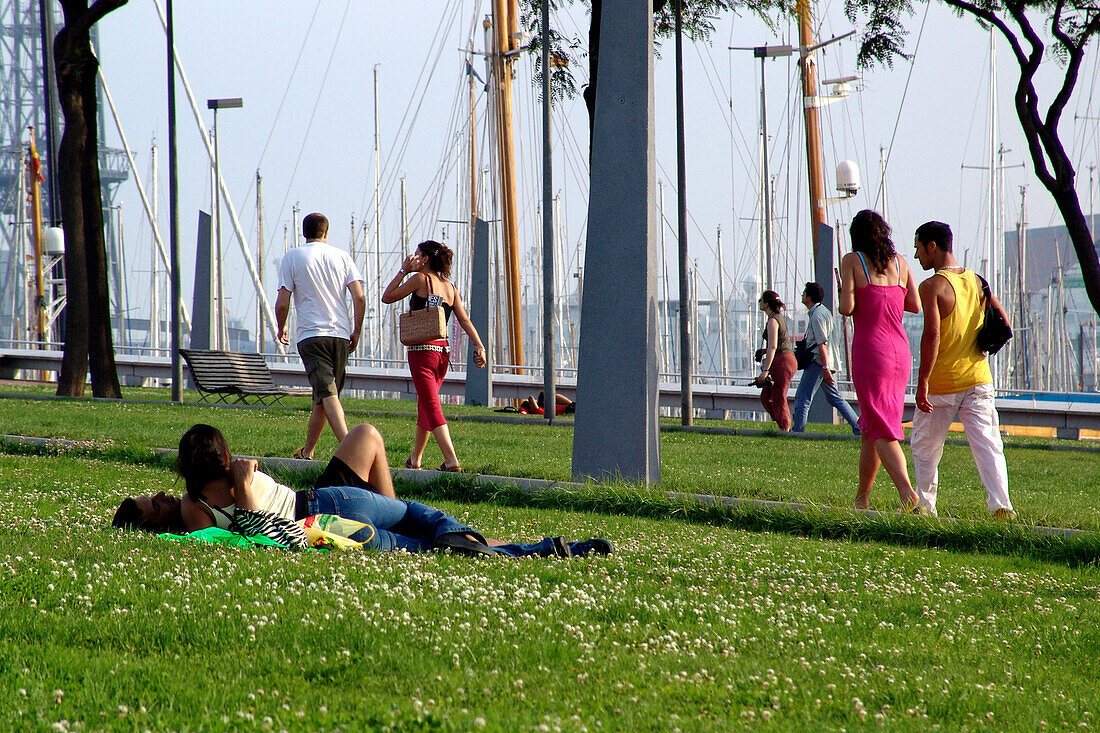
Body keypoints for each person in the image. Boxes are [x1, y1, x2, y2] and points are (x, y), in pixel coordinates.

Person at [113, 423, 613, 558]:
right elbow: (261, 535)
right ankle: (536, 549)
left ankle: (536, 550)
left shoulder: (196, 505)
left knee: (431, 540)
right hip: (327, 512)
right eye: (149, 505)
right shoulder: (198, 508)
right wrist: (244, 487)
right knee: (433, 525)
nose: (156, 497)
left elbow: (255, 539)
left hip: (329, 511)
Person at [911, 221, 1015, 519]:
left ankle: (926, 506)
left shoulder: (931, 286)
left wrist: (922, 383)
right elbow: (1004, 322)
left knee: (925, 446)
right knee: (988, 443)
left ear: (932, 246)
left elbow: (932, 336)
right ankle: (1001, 505)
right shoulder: (978, 281)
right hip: (979, 378)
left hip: (943, 382)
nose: (917, 257)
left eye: (919, 249)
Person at [838, 210, 921, 512]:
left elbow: (846, 308)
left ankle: (908, 494)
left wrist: (845, 289)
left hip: (871, 352)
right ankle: (861, 499)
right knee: (870, 428)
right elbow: (914, 305)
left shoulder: (851, 260)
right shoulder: (901, 263)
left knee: (882, 428)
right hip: (900, 352)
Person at [382, 240, 487, 472]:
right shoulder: (449, 287)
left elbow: (387, 297)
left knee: (431, 405)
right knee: (426, 405)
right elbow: (464, 320)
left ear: (425, 259)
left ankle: (451, 460)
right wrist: (480, 346)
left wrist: (403, 270)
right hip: (442, 354)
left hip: (422, 352)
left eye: (417, 255)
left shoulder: (420, 279)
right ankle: (415, 459)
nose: (414, 258)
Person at [275, 212, 366, 461]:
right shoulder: (342, 257)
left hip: (311, 335)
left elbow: (283, 302)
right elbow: (359, 297)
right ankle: (308, 451)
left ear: (304, 233)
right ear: (326, 232)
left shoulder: (292, 257)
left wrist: (281, 326)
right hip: (338, 334)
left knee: (327, 394)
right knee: (324, 395)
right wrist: (356, 330)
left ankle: (353, 453)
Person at [791, 282, 861, 435]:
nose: (802, 295)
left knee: (802, 398)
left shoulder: (817, 316)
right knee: (834, 398)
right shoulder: (823, 312)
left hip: (819, 362)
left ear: (809, 297)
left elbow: (822, 343)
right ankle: (858, 427)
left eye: (804, 293)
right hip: (825, 362)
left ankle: (797, 431)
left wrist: (825, 368)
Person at [753, 290, 797, 431]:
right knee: (766, 396)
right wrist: (763, 352)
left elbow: (773, 346)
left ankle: (785, 428)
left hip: (783, 361)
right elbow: (776, 344)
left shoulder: (773, 321)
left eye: (761, 300)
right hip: (783, 359)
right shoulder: (778, 318)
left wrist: (765, 371)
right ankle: (780, 422)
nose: (759, 302)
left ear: (766, 304)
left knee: (779, 396)